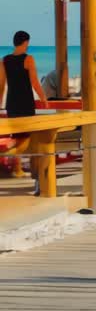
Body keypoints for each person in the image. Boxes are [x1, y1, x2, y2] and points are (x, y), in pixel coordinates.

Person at [1, 31, 48, 192]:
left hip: (12, 103)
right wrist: (43, 98)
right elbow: (34, 82)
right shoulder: (28, 59)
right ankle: (9, 156)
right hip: (25, 103)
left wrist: (0, 103)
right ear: (26, 42)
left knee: (17, 136)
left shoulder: (5, 60)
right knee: (27, 138)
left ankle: (18, 168)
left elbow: (1, 85)